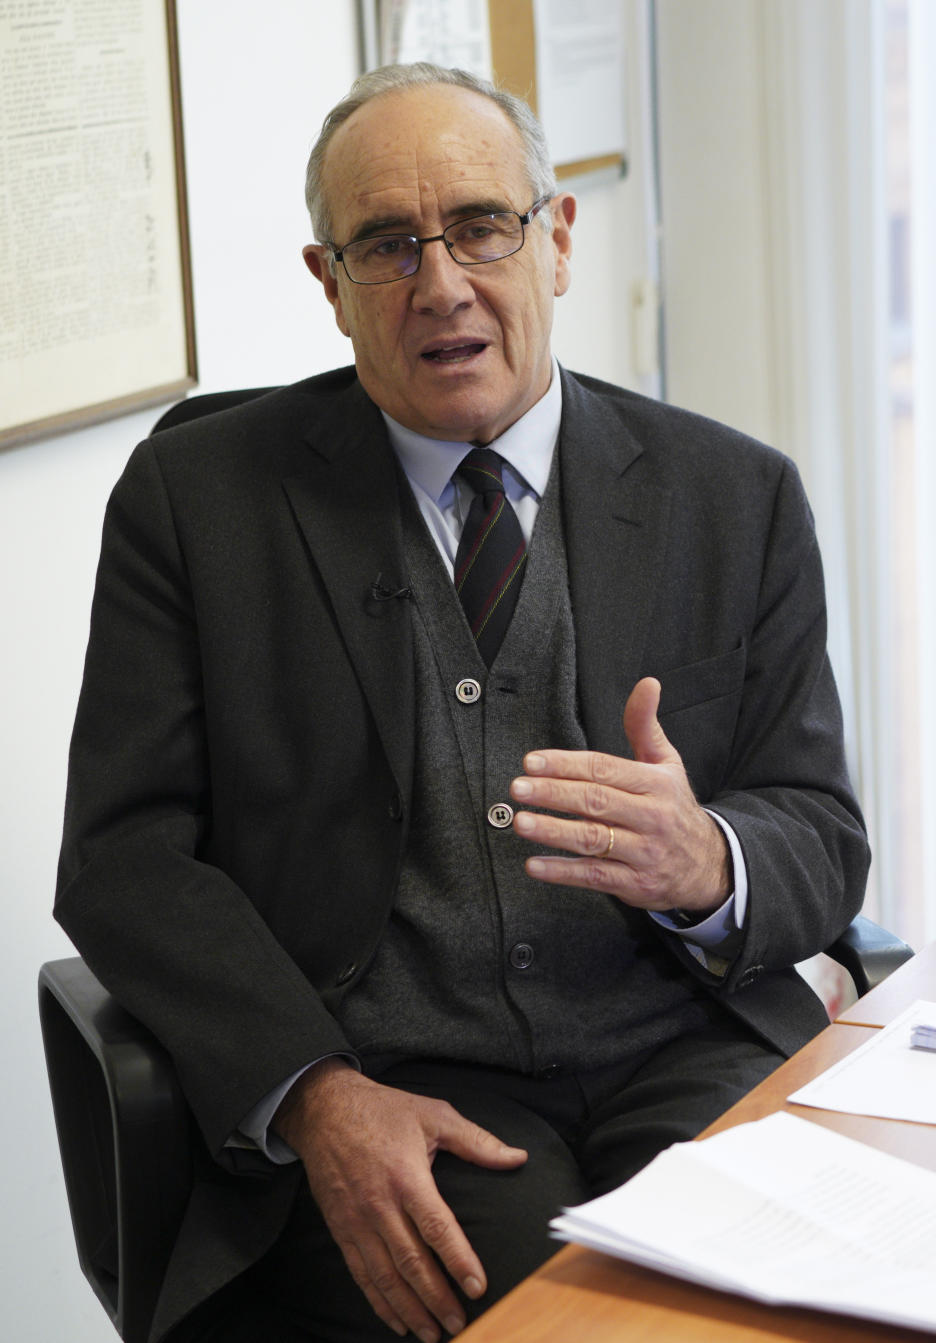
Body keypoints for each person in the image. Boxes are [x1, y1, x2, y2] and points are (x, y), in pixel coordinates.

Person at [55, 63, 869, 1343]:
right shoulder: (194, 507)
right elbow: (124, 861)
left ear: (556, 240)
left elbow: (821, 828)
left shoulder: (736, 494)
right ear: (330, 286)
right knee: (546, 1317)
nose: (442, 285)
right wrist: (315, 1092)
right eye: (386, 245)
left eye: (483, 226)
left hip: (684, 1038)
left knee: (780, 1304)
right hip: (398, 1077)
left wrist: (709, 858)